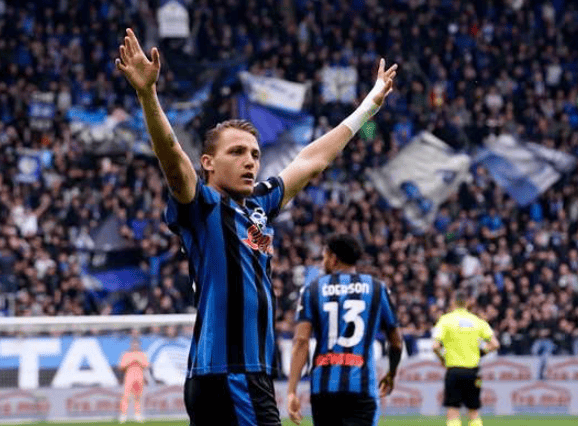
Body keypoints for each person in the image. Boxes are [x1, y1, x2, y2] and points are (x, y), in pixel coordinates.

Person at [116, 28, 397, 426]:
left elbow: (312, 161)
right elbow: (172, 159)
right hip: (231, 373)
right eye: (237, 152)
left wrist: (369, 105)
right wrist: (148, 95)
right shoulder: (203, 206)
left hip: (237, 375)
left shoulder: (259, 204)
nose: (250, 161)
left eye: (255, 153)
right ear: (208, 163)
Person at [286, 234, 403, 426]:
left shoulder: (312, 289)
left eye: (324, 256)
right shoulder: (377, 288)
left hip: (324, 389)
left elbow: (301, 341)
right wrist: (391, 373)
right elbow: (396, 342)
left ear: (333, 258)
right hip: (362, 388)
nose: (323, 262)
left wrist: (292, 391)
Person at [432, 290, 500, 426]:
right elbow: (495, 344)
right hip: (474, 372)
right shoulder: (477, 321)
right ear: (468, 303)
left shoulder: (446, 320)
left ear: (453, 303)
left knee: (453, 412)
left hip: (454, 371)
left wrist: (442, 359)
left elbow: (435, 346)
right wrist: (481, 353)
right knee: (474, 412)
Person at [118, 338, 149, 423]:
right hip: (129, 377)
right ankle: (123, 415)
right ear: (131, 345)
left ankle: (137, 415)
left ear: (139, 345)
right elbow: (121, 366)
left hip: (139, 377)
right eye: (133, 344)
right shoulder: (126, 354)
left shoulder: (142, 354)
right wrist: (130, 362)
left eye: (136, 344)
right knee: (126, 396)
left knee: (138, 396)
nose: (135, 346)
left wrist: (138, 361)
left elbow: (146, 365)